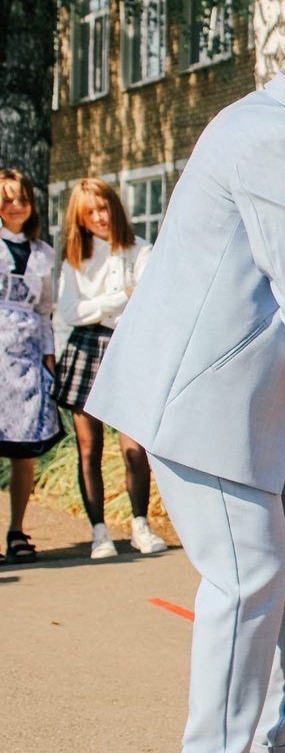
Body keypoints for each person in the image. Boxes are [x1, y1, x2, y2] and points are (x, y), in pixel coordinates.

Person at [84, 0, 285, 753]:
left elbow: (260, 248)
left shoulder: (279, 131)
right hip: (208, 401)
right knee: (250, 573)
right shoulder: (278, 140)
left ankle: (277, 741)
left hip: (245, 402)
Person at [54, 178, 166, 559]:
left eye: (103, 208)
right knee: (90, 447)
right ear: (80, 219)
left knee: (134, 446)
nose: (99, 217)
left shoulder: (140, 250)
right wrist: (119, 297)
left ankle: (140, 524)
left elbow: (149, 297)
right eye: (90, 213)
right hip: (87, 348)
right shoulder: (76, 259)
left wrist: (102, 305)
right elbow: (70, 312)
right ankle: (99, 531)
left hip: (127, 346)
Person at [0, 169, 62, 564]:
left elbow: (44, 311)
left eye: (22, 198)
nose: (16, 206)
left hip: (25, 359)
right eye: (7, 199)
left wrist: (49, 359)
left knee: (23, 449)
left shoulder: (41, 253)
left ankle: (17, 530)